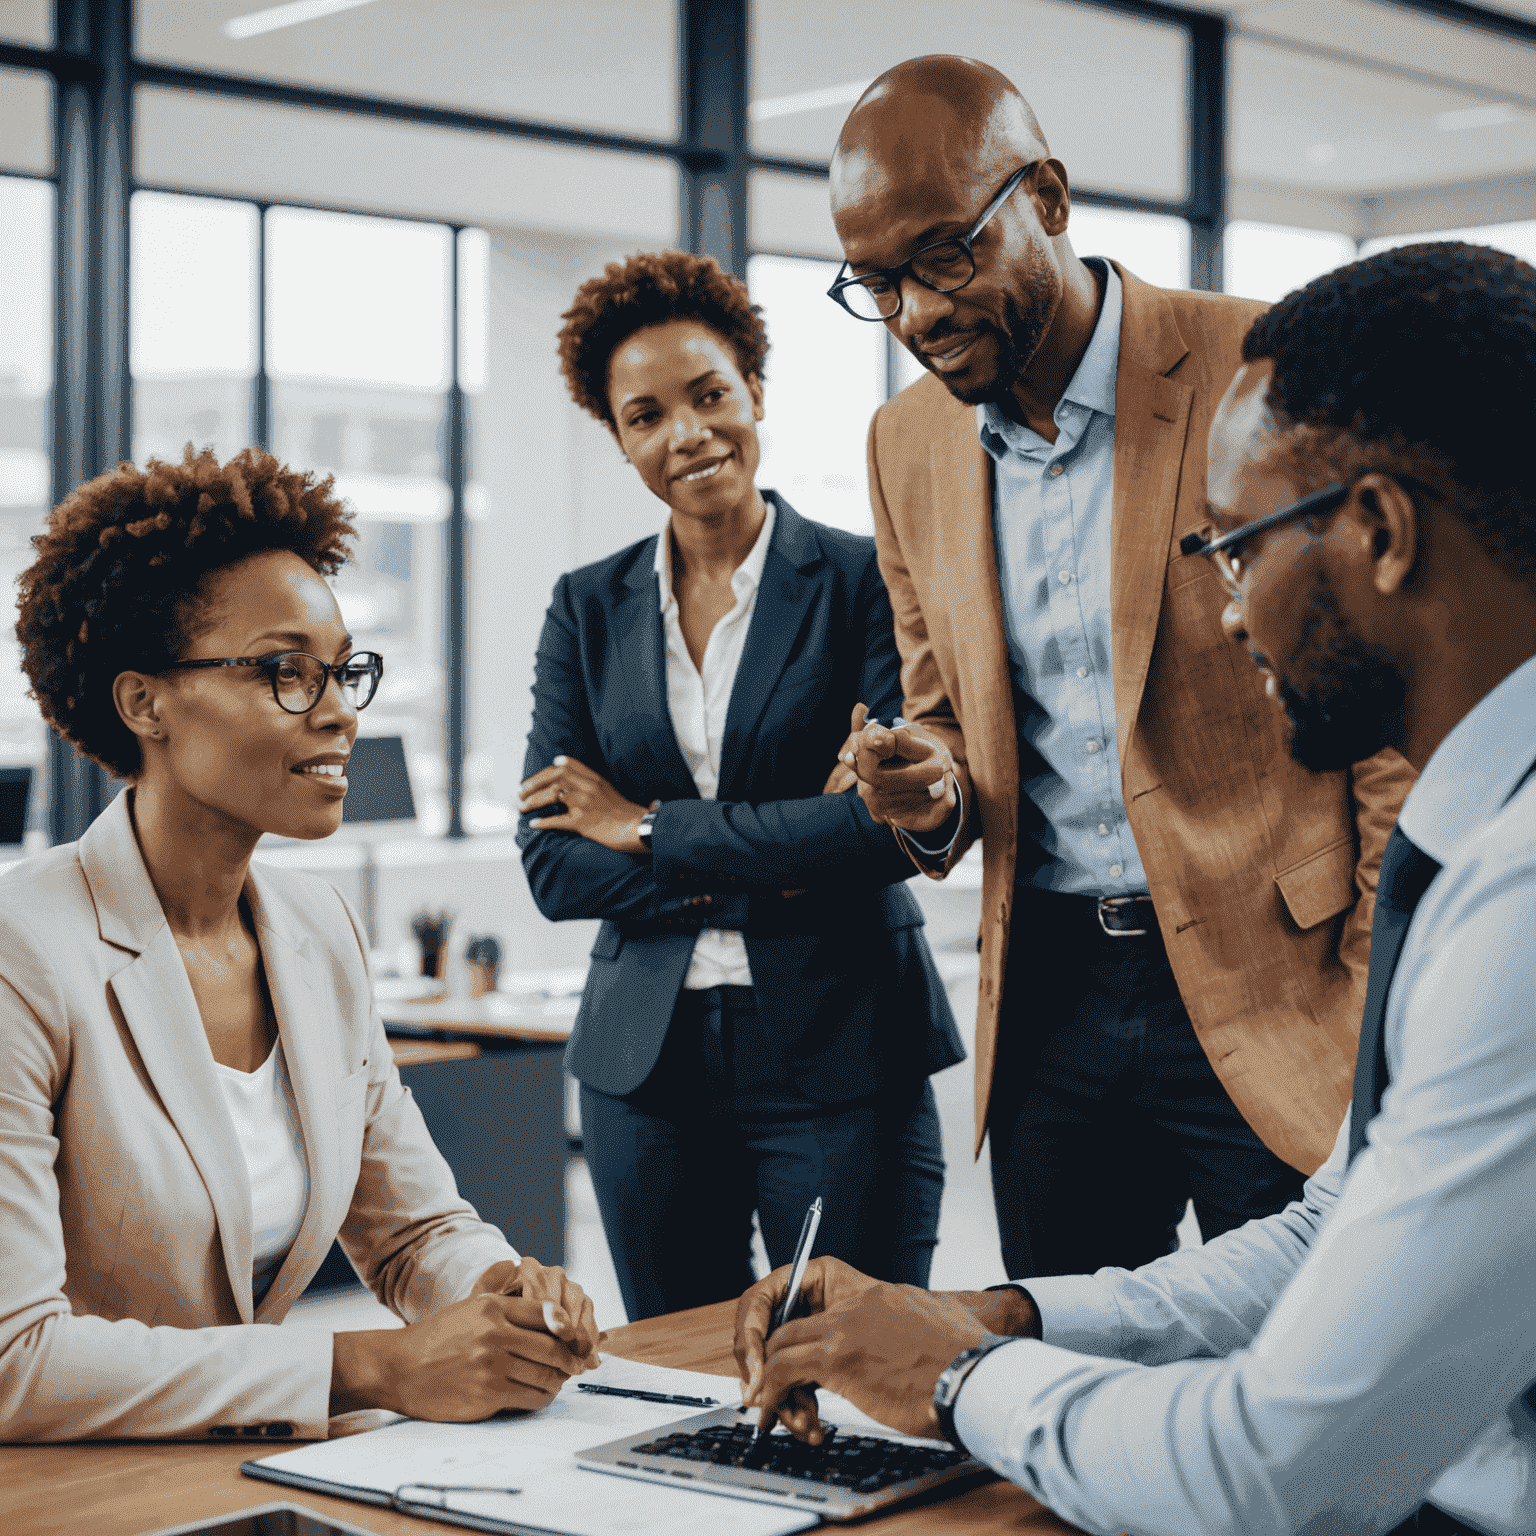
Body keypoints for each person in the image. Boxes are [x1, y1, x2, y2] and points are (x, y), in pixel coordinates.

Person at [735, 242, 1536, 1536]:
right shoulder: (1487, 824)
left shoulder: (1517, 901)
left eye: (1236, 548)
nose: (1226, 613)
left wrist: (949, 1376)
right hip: (1061, 978)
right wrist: (1014, 1315)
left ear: (1382, 531)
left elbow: (1280, 1473)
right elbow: (1331, 1229)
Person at [826, 55, 1414, 1278]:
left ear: (1046, 197)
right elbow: (945, 715)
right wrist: (922, 781)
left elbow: (1385, 702)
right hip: (1048, 1006)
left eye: (944, 256)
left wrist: (1372, 977)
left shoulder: (1259, 362)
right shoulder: (905, 444)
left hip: (1282, 983)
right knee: (1073, 1388)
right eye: (877, 285)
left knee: (1295, 1388)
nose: (919, 314)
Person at [0, 448, 599, 1441]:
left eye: (343, 669)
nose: (340, 710)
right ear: (143, 701)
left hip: (243, 1472)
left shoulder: (316, 932)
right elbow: (15, 1358)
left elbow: (412, 1229)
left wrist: (501, 1292)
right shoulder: (26, 953)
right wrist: (372, 1365)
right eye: (286, 672)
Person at [519, 251, 963, 1322]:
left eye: (709, 394)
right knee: (677, 1372)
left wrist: (645, 824)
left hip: (845, 1046)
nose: (687, 434)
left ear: (756, 391)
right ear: (619, 436)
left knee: (856, 1363)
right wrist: (772, 854)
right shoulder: (587, 608)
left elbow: (874, 834)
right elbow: (551, 859)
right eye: (645, 415)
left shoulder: (864, 577)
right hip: (646, 1069)